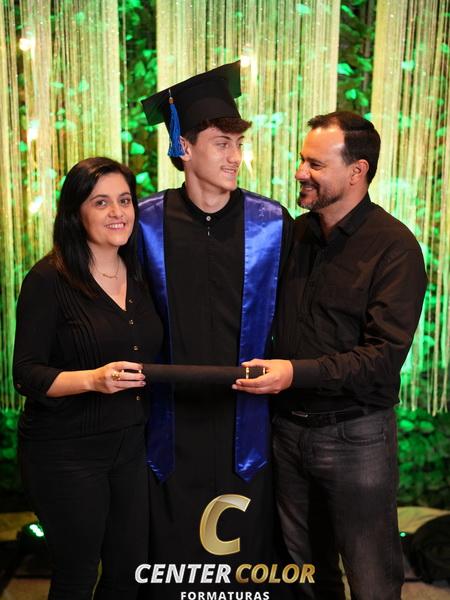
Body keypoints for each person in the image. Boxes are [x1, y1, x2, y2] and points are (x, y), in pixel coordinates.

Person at [234, 111, 428, 599]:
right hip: (286, 430)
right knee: (304, 576)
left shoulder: (395, 248)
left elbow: (382, 358)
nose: (300, 172)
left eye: (315, 164)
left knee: (371, 578)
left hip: (356, 436)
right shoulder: (295, 235)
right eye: (303, 159)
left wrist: (293, 373)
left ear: (357, 171)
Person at [138, 62, 293, 597]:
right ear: (184, 147)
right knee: (172, 563)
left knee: (243, 565)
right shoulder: (144, 222)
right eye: (221, 143)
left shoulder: (271, 222)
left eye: (238, 144)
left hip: (245, 420)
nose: (234, 156)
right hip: (169, 422)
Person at [13, 157, 163, 600]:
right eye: (101, 202)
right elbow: (26, 374)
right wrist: (92, 380)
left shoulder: (141, 274)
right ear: (75, 213)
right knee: (77, 576)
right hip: (65, 452)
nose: (118, 212)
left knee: (128, 573)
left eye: (125, 201)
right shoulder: (48, 279)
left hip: (130, 447)